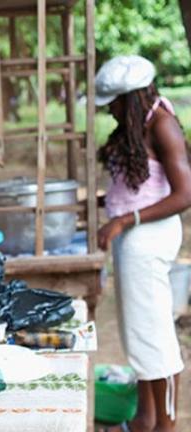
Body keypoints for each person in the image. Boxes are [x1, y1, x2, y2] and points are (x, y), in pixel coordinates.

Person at [95, 55, 191, 432]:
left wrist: (124, 218)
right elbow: (143, 186)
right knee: (138, 333)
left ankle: (165, 426)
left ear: (133, 97)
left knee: (155, 339)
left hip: (148, 239)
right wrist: (111, 203)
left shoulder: (163, 125)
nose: (113, 111)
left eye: (116, 103)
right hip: (133, 238)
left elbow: (185, 194)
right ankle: (145, 418)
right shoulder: (140, 124)